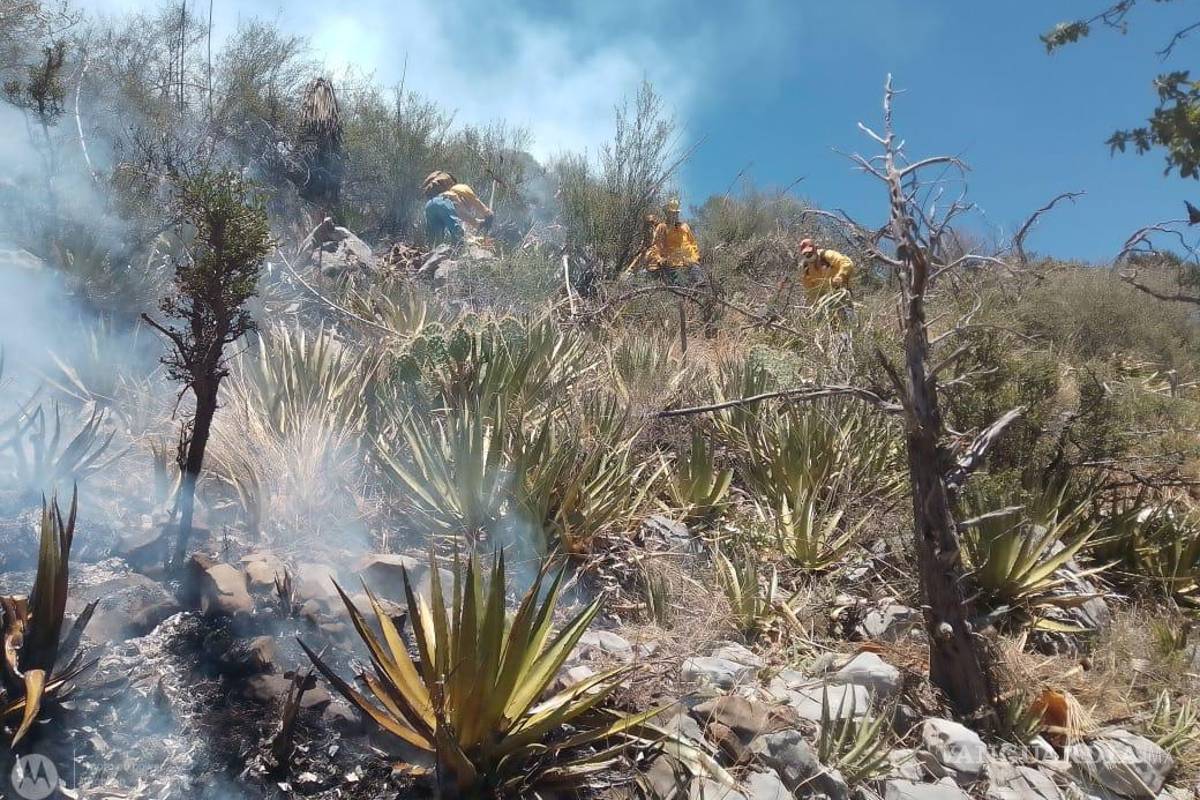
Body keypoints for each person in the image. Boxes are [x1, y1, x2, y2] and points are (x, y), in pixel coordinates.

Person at [422, 171, 494, 244]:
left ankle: (432, 250)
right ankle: (458, 252)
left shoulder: (442, 196)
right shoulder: (458, 188)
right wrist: (488, 214)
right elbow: (476, 202)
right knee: (458, 234)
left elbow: (462, 214)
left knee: (435, 238)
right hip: (444, 202)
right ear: (452, 182)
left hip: (429, 206)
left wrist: (478, 224)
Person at [643, 198, 702, 285]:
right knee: (682, 286)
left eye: (676, 213)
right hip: (674, 265)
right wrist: (660, 259)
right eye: (671, 213)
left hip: (691, 263)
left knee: (701, 283)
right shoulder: (662, 227)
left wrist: (696, 257)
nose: (674, 215)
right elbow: (656, 246)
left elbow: (693, 243)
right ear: (667, 213)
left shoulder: (685, 227)